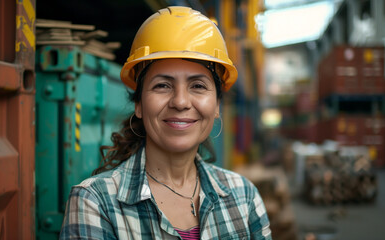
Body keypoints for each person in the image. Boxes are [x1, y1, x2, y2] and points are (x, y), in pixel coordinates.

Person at [60, 6, 271, 240]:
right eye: (162, 85)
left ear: (217, 106)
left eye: (198, 86)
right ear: (139, 104)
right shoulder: (95, 203)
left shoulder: (244, 196)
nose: (180, 102)